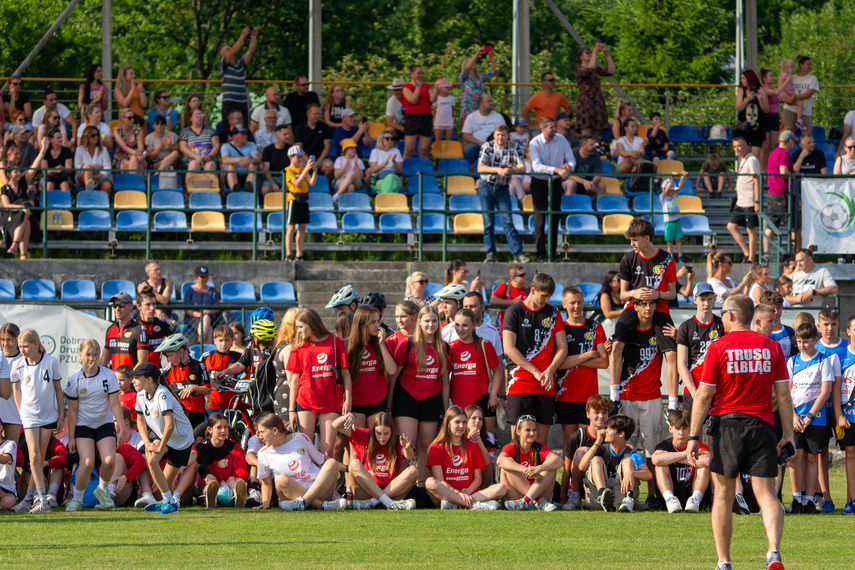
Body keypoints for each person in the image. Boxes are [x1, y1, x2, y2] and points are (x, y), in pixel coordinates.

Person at [686, 294, 793, 570]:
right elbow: (783, 395)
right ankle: (774, 552)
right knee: (766, 494)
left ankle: (723, 562)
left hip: (727, 426)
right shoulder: (772, 347)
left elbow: (703, 395)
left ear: (731, 316)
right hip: (762, 424)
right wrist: (789, 435)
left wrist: (693, 436)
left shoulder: (718, 346)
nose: (721, 318)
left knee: (722, 495)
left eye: (723, 313)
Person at [612, 217, 679, 412]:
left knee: (672, 354)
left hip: (660, 309)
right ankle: (615, 396)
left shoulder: (667, 258)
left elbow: (673, 293)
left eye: (634, 239)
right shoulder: (629, 258)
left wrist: (657, 294)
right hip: (633, 307)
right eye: (630, 239)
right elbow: (623, 294)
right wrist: (635, 293)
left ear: (647, 238)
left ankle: (673, 405)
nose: (631, 243)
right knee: (616, 346)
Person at [389, 305, 450, 495]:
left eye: (434, 321)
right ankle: (398, 489)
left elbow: (445, 382)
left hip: (432, 400)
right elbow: (393, 378)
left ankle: (421, 489)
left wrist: (446, 409)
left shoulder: (444, 347)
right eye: (427, 321)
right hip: (406, 398)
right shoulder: (407, 344)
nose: (431, 324)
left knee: (426, 446)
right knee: (406, 444)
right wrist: (389, 406)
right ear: (419, 322)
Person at [502, 272, 568, 443]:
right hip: (519, 382)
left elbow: (563, 347)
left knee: (540, 442)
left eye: (550, 296)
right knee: (518, 442)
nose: (547, 300)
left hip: (545, 384)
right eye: (544, 296)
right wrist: (536, 372)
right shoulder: (514, 311)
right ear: (532, 290)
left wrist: (549, 370)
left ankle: (538, 470)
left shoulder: (553, 313)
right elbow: (509, 348)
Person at [64, 339, 129, 511]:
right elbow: (72, 411)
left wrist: (121, 428)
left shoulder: (108, 375)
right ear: (81, 355)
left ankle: (102, 490)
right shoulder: (74, 379)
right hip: (83, 426)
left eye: (95, 354)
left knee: (109, 460)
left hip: (104, 424)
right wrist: (71, 437)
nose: (91, 358)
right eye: (88, 354)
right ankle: (77, 499)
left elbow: (115, 404)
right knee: (86, 462)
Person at [130, 361, 195, 515]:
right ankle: (169, 502)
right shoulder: (140, 394)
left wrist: (159, 446)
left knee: (164, 483)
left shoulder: (162, 394)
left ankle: (169, 502)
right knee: (152, 461)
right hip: (166, 437)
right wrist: (147, 443)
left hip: (181, 441)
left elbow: (170, 425)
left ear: (149, 379)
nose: (133, 381)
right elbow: (140, 420)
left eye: (136, 377)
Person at [10, 329, 63, 514]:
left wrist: (61, 415)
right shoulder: (18, 364)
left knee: (39, 459)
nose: (22, 350)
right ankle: (42, 499)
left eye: (26, 346)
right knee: (33, 456)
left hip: (48, 415)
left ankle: (26, 500)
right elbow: (15, 388)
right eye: (20, 346)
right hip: (29, 416)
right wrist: (20, 411)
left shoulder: (51, 362)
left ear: (37, 343)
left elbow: (58, 390)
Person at [287, 308, 351, 459]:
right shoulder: (298, 346)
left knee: (328, 452)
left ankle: (328, 483)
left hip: (331, 402)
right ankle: (308, 483)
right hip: (305, 401)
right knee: (305, 449)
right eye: (297, 327)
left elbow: (346, 373)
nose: (299, 330)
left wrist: (348, 399)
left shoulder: (335, 341)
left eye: (301, 326)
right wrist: (291, 410)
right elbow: (294, 380)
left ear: (311, 324)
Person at [253, 412, 345, 511]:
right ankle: (320, 505)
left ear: (274, 430)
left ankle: (304, 502)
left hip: (317, 491)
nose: (259, 436)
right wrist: (265, 503)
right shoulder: (263, 453)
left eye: (262, 432)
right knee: (281, 479)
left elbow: (321, 460)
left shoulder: (300, 438)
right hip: (290, 496)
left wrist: (348, 468)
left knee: (332, 463)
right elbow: (266, 483)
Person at [787, 322, 834, 514]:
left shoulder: (824, 361)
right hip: (795, 419)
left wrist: (809, 417)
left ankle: (809, 500)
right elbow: (786, 392)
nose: (802, 345)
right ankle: (797, 498)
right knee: (795, 456)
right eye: (799, 342)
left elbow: (825, 392)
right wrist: (793, 416)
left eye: (806, 342)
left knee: (812, 458)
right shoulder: (793, 361)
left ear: (816, 340)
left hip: (816, 419)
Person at [425, 405, 505, 510]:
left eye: (464, 422)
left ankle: (457, 504)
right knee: (430, 483)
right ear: (448, 424)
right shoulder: (436, 447)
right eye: (457, 422)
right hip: (447, 493)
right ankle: (473, 505)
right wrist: (457, 493)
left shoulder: (472, 444)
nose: (461, 426)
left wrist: (467, 492)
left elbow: (478, 479)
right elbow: (440, 481)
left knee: (501, 488)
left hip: (469, 493)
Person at [332, 412, 417, 510]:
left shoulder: (396, 440)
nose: (382, 438)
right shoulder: (364, 435)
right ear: (373, 430)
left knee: (413, 470)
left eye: (386, 433)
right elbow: (335, 425)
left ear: (392, 431)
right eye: (379, 433)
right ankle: (389, 503)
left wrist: (407, 448)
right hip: (364, 493)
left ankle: (374, 503)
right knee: (354, 464)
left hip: (390, 492)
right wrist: (349, 416)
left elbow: (410, 456)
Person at [576, 415, 652, 512]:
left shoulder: (631, 453)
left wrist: (631, 473)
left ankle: (628, 498)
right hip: (597, 500)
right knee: (596, 459)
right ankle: (603, 494)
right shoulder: (601, 449)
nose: (605, 431)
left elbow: (648, 475)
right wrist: (597, 442)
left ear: (621, 434)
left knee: (627, 461)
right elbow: (581, 467)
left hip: (621, 499)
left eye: (610, 429)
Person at [476, 124, 528, 263]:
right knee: (488, 222)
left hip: (503, 187)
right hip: (486, 186)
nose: (500, 137)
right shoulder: (487, 146)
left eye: (503, 135)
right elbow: (480, 168)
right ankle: (491, 253)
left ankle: (518, 254)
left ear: (507, 136)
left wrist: (512, 171)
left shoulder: (514, 147)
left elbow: (522, 167)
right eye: (498, 135)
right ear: (494, 135)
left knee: (508, 221)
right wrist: (498, 170)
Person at [529, 117, 574, 261]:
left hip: (554, 182)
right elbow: (536, 166)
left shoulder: (561, 140)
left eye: (554, 127)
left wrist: (569, 166)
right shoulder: (534, 143)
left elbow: (571, 159)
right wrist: (556, 169)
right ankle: (541, 254)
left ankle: (553, 254)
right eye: (550, 127)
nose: (554, 129)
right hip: (539, 182)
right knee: (540, 219)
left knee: (554, 218)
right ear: (543, 129)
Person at [676, 283, 725, 416]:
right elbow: (681, 364)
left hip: (718, 390)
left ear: (714, 299)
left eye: (709, 299)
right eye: (702, 299)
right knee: (693, 433)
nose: (706, 303)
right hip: (693, 388)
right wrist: (694, 393)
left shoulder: (722, 325)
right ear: (694, 299)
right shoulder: (686, 327)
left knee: (714, 432)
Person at [447, 308, 501, 426]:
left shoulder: (484, 345)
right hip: (458, 404)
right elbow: (445, 377)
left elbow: (497, 371)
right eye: (457, 325)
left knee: (487, 439)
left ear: (474, 325)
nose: (460, 329)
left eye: (465, 325)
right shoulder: (450, 348)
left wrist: (493, 395)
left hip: (483, 401)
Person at [345, 306, 395, 429]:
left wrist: (382, 345)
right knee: (358, 445)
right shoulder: (348, 345)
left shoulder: (381, 343)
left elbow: (392, 370)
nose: (377, 325)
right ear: (362, 323)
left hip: (377, 401)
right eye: (373, 322)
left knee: (376, 443)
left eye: (378, 321)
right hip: (355, 402)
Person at [498, 415, 562, 511]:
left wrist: (539, 468)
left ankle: (526, 500)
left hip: (540, 493)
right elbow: (500, 461)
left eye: (534, 430)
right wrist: (527, 471)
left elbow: (559, 461)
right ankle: (534, 500)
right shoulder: (512, 447)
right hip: (517, 497)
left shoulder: (540, 448)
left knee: (550, 465)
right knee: (508, 463)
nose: (532, 433)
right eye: (528, 430)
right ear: (518, 432)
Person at [653, 409, 710, 513]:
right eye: (677, 428)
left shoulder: (696, 444)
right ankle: (669, 498)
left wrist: (671, 458)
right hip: (671, 493)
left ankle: (696, 498)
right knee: (660, 465)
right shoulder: (665, 445)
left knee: (703, 467)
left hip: (693, 493)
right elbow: (656, 459)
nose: (681, 433)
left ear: (690, 430)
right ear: (670, 429)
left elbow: (707, 461)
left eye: (685, 428)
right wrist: (687, 454)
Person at [562, 394, 609, 509]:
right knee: (581, 451)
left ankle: (619, 496)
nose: (601, 416)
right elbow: (567, 468)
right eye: (596, 413)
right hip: (583, 483)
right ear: (588, 414)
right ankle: (575, 496)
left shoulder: (612, 434)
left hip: (607, 480)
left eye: (604, 412)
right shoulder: (578, 436)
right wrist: (562, 498)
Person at [156, 333, 211, 429]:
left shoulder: (198, 366)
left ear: (181, 352)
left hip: (196, 413)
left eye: (170, 355)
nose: (168, 359)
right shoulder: (169, 369)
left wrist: (194, 388)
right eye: (167, 356)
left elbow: (208, 390)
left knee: (196, 441)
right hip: (177, 412)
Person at [195, 413, 248, 508]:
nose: (223, 431)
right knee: (211, 484)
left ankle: (238, 497)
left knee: (233, 479)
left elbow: (240, 467)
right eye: (219, 427)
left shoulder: (234, 446)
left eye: (226, 427)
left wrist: (239, 478)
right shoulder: (201, 446)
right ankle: (210, 499)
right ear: (209, 430)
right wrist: (208, 474)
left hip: (228, 485)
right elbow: (200, 465)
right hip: (208, 483)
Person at [834, 315, 855, 515]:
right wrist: (839, 415)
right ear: (848, 332)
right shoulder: (840, 356)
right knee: (850, 454)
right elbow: (836, 389)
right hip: (848, 416)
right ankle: (851, 499)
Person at [728, 137, 761, 264]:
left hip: (749, 201)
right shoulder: (741, 159)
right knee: (731, 226)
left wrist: (757, 201)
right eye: (735, 147)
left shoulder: (752, 160)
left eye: (739, 146)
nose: (737, 149)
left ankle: (751, 258)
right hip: (740, 201)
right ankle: (747, 253)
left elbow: (756, 180)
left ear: (746, 145)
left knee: (750, 229)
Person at [282, 146, 316, 262]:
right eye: (298, 157)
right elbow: (296, 183)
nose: (301, 159)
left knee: (302, 227)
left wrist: (314, 171)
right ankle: (288, 254)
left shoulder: (303, 170)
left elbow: (311, 183)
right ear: (291, 157)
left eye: (301, 157)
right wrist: (306, 170)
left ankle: (299, 254)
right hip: (294, 199)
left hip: (304, 199)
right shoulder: (289, 170)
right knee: (291, 227)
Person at [574, 44, 615, 136]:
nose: (590, 54)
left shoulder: (595, 69)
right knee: (586, 131)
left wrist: (607, 55)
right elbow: (589, 69)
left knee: (597, 131)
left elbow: (611, 71)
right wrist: (595, 51)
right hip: (586, 101)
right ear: (581, 57)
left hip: (597, 101)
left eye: (590, 53)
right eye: (587, 53)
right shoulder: (579, 69)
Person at [101, 291, 149, 370]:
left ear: (130, 306)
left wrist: (129, 379)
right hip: (114, 380)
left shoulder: (139, 329)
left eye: (121, 305)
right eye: (115, 305)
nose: (117, 309)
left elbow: (142, 362)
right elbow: (103, 360)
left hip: (132, 380)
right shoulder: (110, 329)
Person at [765, 130, 796, 251]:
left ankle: (766, 253)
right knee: (793, 226)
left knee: (771, 225)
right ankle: (798, 253)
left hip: (772, 193)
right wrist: (794, 175)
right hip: (782, 193)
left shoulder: (773, 153)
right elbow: (783, 172)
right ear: (790, 141)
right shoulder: (784, 154)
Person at [218, 27, 257, 122]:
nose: (230, 50)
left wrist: (254, 36)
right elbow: (234, 51)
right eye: (227, 49)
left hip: (242, 102)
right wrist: (243, 35)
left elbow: (250, 52)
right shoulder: (223, 64)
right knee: (229, 127)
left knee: (243, 126)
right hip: (230, 102)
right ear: (222, 55)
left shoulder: (240, 64)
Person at [1, 160, 37, 259]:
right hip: (9, 218)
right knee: (24, 213)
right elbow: (6, 206)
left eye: (19, 171)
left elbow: (34, 168)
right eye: (15, 171)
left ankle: (19, 251)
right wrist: (21, 207)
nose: (18, 173)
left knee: (26, 219)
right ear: (9, 174)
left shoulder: (23, 183)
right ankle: (19, 249)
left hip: (22, 219)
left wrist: (43, 151)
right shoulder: (5, 188)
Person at [402, 64, 438, 159]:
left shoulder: (427, 86)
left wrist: (437, 87)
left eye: (422, 73)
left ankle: (424, 171)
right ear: (412, 74)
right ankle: (404, 172)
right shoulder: (406, 87)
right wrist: (418, 87)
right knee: (409, 150)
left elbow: (433, 99)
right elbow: (413, 100)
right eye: (418, 73)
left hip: (426, 117)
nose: (421, 75)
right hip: (412, 118)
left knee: (424, 150)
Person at [759, 67, 793, 166]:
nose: (773, 78)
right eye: (771, 76)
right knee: (764, 147)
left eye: (773, 76)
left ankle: (770, 168)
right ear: (764, 78)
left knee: (772, 147)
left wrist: (781, 119)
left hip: (774, 117)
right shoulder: (763, 89)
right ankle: (762, 169)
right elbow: (776, 93)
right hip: (766, 117)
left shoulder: (774, 88)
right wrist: (786, 82)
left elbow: (777, 105)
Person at [135, 285, 174, 367]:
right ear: (139, 306)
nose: (152, 308)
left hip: (156, 371)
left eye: (154, 304)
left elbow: (175, 346)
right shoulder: (133, 326)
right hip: (137, 372)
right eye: (148, 304)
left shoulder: (163, 325)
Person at [462, 94, 506, 165]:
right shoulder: (471, 117)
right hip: (476, 145)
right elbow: (466, 136)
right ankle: (471, 174)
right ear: (481, 103)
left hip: (494, 144)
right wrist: (481, 143)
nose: (491, 103)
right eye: (488, 101)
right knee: (468, 149)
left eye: (491, 101)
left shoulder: (498, 117)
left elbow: (504, 133)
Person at [183, 266, 222, 344]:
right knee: (209, 328)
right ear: (196, 277)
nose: (204, 279)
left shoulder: (213, 290)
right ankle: (203, 347)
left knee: (207, 320)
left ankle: (200, 345)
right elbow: (187, 310)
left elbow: (216, 308)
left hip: (211, 318)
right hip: (193, 319)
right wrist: (199, 314)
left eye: (206, 276)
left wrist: (209, 311)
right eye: (202, 277)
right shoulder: (189, 290)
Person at [293, 103, 333, 178]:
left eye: (319, 114)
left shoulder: (324, 127)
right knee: (298, 165)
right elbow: (299, 148)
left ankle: (328, 187)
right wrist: (309, 162)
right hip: (305, 159)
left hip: (321, 159)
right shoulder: (300, 128)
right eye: (315, 114)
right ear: (308, 114)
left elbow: (327, 147)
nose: (317, 116)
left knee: (330, 166)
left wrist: (319, 162)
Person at [735, 69, 769, 159]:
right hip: (744, 125)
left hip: (757, 125)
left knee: (755, 154)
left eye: (744, 78)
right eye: (741, 78)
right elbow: (738, 108)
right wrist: (747, 99)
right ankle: (741, 172)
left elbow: (766, 109)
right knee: (743, 154)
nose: (742, 80)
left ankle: (753, 171)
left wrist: (759, 98)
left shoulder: (761, 90)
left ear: (749, 79)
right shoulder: (741, 91)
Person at [781, 55, 819, 133]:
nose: (810, 66)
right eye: (808, 64)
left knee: (807, 135)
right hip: (790, 108)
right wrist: (785, 100)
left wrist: (794, 97)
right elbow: (782, 88)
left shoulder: (812, 78)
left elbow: (809, 93)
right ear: (801, 65)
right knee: (790, 136)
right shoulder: (791, 77)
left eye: (811, 64)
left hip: (805, 111)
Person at [459, 46, 497, 123]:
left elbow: (493, 72)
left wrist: (491, 57)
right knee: (466, 130)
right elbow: (467, 68)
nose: (473, 63)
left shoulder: (480, 77)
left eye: (474, 62)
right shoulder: (463, 77)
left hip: (479, 108)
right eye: (471, 61)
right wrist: (477, 53)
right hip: (467, 108)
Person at [221, 124, 261, 193]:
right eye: (242, 134)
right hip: (232, 176)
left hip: (247, 175)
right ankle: (235, 190)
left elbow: (257, 159)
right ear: (234, 136)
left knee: (253, 165)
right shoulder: (226, 146)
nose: (246, 136)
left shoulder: (251, 144)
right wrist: (239, 160)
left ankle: (249, 187)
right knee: (231, 166)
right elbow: (225, 160)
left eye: (246, 134)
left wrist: (249, 161)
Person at [0, 323, 22, 445]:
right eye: (2, 339)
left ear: (17, 340)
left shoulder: (24, 360)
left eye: (9, 339)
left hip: (14, 414)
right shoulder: (0, 357)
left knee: (10, 454)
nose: (5, 343)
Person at [489, 264, 529, 331]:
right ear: (512, 277)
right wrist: (513, 302)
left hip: (524, 329)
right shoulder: (505, 286)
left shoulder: (527, 289)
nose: (525, 276)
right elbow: (492, 300)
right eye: (522, 275)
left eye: (525, 274)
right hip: (507, 329)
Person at [660, 171, 688, 262]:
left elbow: (679, 187)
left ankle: (680, 257)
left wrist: (683, 178)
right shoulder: (662, 197)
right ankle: (670, 258)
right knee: (670, 241)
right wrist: (671, 178)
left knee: (678, 240)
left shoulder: (674, 195)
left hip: (677, 220)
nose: (672, 191)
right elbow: (667, 189)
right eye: (671, 189)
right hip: (669, 222)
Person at [259, 124, 292, 197]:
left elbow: (293, 168)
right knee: (265, 190)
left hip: (287, 178)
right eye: (285, 134)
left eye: (288, 134)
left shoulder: (291, 149)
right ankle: (268, 208)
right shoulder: (268, 150)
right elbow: (266, 170)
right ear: (277, 135)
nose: (288, 136)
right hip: (271, 178)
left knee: (295, 189)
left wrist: (286, 184)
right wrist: (274, 185)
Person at [597, 270, 623, 339]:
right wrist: (624, 311)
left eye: (622, 279)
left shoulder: (623, 293)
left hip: (621, 324)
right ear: (610, 283)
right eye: (618, 280)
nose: (621, 281)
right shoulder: (605, 295)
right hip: (608, 325)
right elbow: (607, 314)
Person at [0, 423, 17, 511]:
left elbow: (5, 459)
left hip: (6, 488)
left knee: (8, 502)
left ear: (0, 427)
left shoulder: (10, 444)